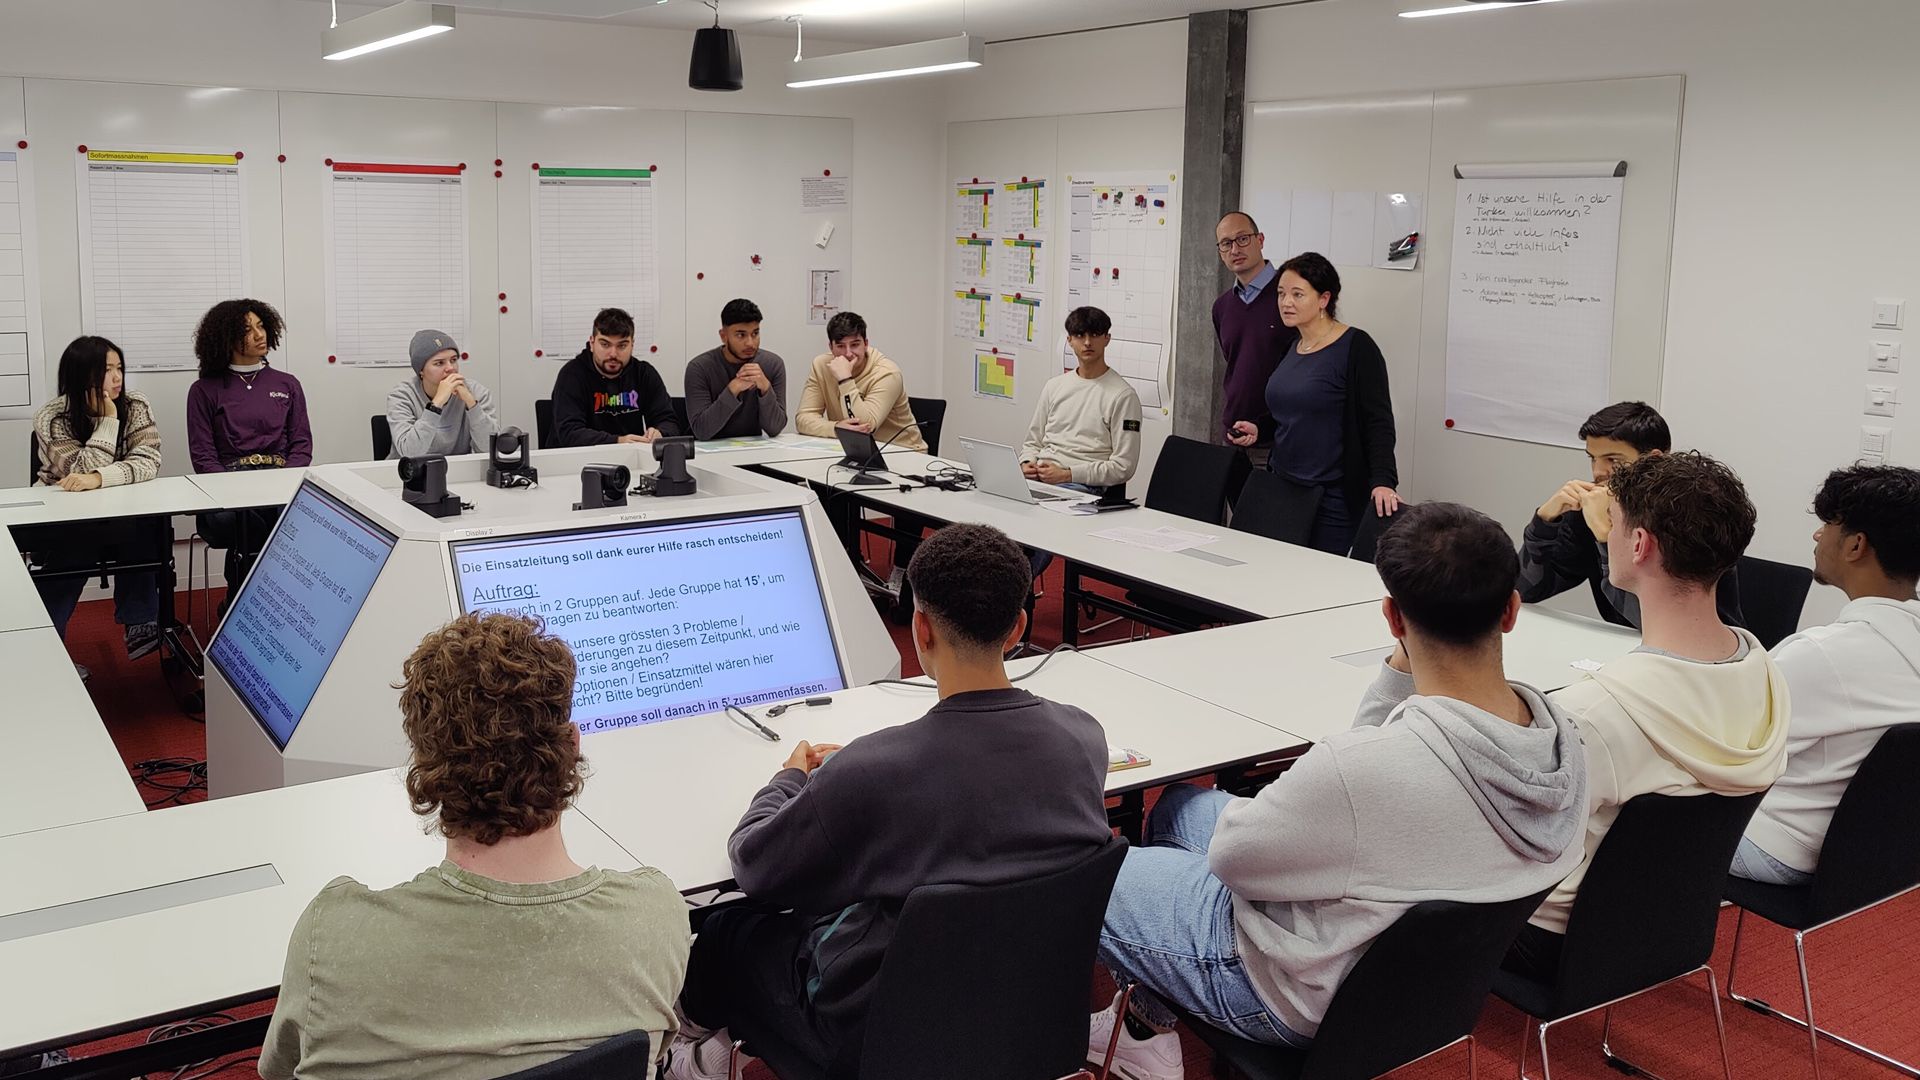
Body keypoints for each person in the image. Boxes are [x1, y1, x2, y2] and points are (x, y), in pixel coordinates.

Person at [1092, 502, 1589, 1079]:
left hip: (1299, 992)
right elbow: (1373, 771)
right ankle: (1143, 1024)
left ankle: (1142, 1038)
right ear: (1510, 611)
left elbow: (1233, 863)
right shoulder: (1563, 741)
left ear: (1392, 617)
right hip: (1427, 989)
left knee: (1096, 870)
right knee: (1180, 810)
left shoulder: (1358, 771)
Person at [668, 524, 1110, 1080]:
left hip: (868, 1033)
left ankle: (689, 1058)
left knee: (725, 928)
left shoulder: (874, 770)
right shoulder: (1084, 737)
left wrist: (790, 781)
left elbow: (755, 864)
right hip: (1023, 1007)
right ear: (1019, 626)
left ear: (920, 629)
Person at [259, 612, 690, 1080]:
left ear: (424, 766)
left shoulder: (333, 937)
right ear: (571, 745)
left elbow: (278, 1071)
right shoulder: (655, 916)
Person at [1505, 451, 1788, 978]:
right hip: (1666, 922)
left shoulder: (1594, 710)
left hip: (1555, 933)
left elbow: (1521, 836)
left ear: (1638, 544)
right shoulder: (1765, 671)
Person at [1734, 464, 1920, 886]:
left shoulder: (1822, 654)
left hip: (1779, 847)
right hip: (1876, 858)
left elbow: (1732, 750)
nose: (1818, 536)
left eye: (1828, 525)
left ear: (1856, 545)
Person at [1226, 252, 1399, 556]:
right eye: (1280, 293)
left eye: (1297, 294)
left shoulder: (1357, 347)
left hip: (1332, 495)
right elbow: (1290, 410)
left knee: (1316, 581)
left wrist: (1383, 480)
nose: (1285, 302)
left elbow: (1378, 421)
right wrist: (1259, 427)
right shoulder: (1292, 346)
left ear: (1323, 299)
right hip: (1282, 485)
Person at [1518, 400, 1745, 629]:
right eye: (1592, 458)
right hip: (1629, 651)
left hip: (1704, 655)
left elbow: (1664, 626)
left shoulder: (1690, 517)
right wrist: (1544, 523)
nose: (1598, 472)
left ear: (1654, 460)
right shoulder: (1590, 514)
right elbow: (1523, 589)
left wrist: (1607, 537)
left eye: (1613, 460)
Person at [27, 335, 164, 665]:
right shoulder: (52, 417)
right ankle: (45, 648)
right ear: (82, 374)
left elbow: (149, 460)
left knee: (145, 525)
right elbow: (78, 468)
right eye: (107, 370)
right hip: (63, 517)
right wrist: (107, 422)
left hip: (120, 513)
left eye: (120, 368)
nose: (117, 378)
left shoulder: (137, 405)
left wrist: (99, 479)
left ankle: (140, 622)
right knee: (75, 548)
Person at [186, 298, 311, 595]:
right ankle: (253, 601)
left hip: (280, 483)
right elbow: (203, 457)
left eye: (261, 325)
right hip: (228, 491)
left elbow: (302, 445)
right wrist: (234, 491)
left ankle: (244, 602)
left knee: (300, 517)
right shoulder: (203, 390)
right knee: (250, 524)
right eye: (247, 329)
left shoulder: (288, 383)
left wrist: (283, 483)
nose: (259, 334)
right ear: (226, 338)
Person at [1021, 306, 1142, 495]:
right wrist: (1026, 463)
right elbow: (1032, 443)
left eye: (1094, 335)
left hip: (1081, 486)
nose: (1087, 342)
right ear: (1069, 340)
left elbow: (1123, 467)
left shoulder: (1123, 396)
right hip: (1040, 479)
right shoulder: (1054, 386)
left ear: (1106, 339)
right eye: (1079, 336)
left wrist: (1067, 474)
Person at [1210, 211, 1295, 470]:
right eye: (1226, 243)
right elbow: (1238, 364)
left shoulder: (1290, 296)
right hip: (1234, 435)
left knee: (1274, 512)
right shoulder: (1222, 306)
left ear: (1260, 239)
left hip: (1279, 438)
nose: (1235, 248)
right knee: (1239, 511)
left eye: (1242, 239)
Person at [794, 311, 925, 451]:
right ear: (830, 347)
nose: (848, 353)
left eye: (855, 345)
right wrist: (835, 428)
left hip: (903, 453)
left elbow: (865, 427)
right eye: (840, 346)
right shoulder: (821, 366)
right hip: (856, 451)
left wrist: (845, 379)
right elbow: (803, 418)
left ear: (866, 344)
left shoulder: (887, 372)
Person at [551, 307, 681, 445]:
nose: (613, 353)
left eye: (622, 346)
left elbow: (669, 422)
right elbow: (569, 433)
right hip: (579, 460)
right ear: (592, 343)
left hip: (632, 459)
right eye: (605, 344)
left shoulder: (644, 373)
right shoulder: (572, 375)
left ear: (632, 345)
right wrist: (617, 441)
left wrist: (660, 432)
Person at [385, 329, 499, 458]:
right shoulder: (401, 396)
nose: (451, 368)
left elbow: (490, 449)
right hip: (410, 473)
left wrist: (471, 404)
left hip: (457, 472)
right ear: (421, 371)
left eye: (453, 360)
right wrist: (436, 404)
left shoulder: (476, 392)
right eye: (439, 363)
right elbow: (410, 452)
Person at [684, 298, 787, 440]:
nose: (750, 343)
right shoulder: (699, 368)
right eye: (741, 335)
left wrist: (765, 389)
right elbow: (702, 431)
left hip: (754, 450)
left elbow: (775, 429)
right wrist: (732, 391)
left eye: (755, 333)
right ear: (723, 336)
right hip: (708, 453)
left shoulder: (773, 364)